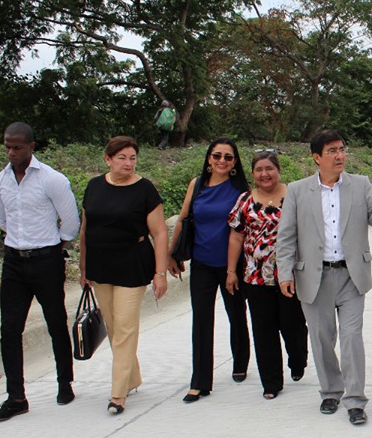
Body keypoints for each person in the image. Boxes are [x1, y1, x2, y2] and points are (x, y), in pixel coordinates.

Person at [278, 130, 372, 426]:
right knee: (322, 338)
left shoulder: (360, 185)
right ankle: (331, 391)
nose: (339, 155)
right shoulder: (297, 190)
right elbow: (286, 236)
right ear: (316, 157)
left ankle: (356, 400)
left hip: (351, 275)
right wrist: (284, 273)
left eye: (342, 149)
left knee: (351, 338)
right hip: (314, 277)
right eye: (332, 151)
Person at [0, 122, 80, 421]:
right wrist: (20, 241)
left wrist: (54, 245)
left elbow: (70, 222)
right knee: (9, 329)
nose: (11, 152)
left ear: (31, 146)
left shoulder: (52, 179)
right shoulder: (0, 181)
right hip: (14, 261)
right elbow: (1, 218)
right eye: (7, 146)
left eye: (17, 147)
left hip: (46, 260)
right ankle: (16, 397)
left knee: (55, 322)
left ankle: (64, 383)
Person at [79, 136, 169, 414]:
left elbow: (159, 233)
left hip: (132, 264)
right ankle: (132, 377)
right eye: (122, 158)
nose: (128, 163)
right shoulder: (94, 186)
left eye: (132, 158)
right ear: (108, 159)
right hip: (100, 266)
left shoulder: (144, 189)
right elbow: (85, 230)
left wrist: (160, 272)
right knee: (115, 327)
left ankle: (118, 394)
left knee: (126, 328)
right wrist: (83, 268)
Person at [167, 138, 251, 402]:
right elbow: (183, 218)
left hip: (232, 265)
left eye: (228, 157)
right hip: (201, 262)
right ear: (208, 158)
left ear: (235, 162)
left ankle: (240, 361)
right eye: (217, 156)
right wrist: (171, 253)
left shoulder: (241, 189)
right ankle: (200, 382)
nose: (222, 161)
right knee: (201, 320)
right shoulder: (197, 184)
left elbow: (245, 228)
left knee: (236, 314)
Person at [226, 150, 308, 399]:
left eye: (269, 168)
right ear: (253, 174)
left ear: (278, 170)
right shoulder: (245, 200)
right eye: (259, 170)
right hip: (255, 277)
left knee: (293, 325)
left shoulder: (295, 195)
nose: (265, 174)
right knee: (263, 331)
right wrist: (231, 271)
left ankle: (298, 360)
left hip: (291, 275)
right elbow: (236, 236)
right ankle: (271, 383)